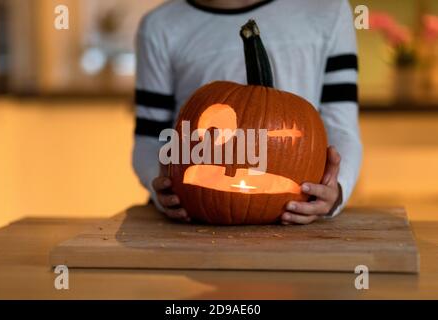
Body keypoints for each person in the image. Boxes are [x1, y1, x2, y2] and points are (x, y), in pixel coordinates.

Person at [132, 0, 362, 225]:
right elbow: (149, 140)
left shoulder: (327, 9)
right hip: (191, 217)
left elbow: (342, 129)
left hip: (294, 215)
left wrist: (335, 190)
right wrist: (161, 186)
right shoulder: (160, 26)